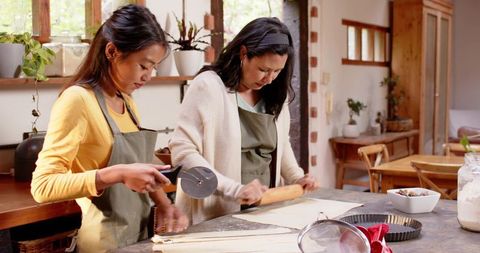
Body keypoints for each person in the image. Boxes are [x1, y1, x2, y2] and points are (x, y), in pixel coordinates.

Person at [30, 4, 188, 252]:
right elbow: (42, 186)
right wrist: (117, 173)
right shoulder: (77, 99)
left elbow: (141, 161)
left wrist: (165, 204)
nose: (149, 75)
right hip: (104, 243)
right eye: (144, 65)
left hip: (141, 237)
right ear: (112, 51)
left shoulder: (126, 100)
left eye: (154, 67)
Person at [169, 17, 318, 225]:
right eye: (264, 69)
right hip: (215, 212)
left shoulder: (275, 95)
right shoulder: (209, 87)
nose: (270, 79)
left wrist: (296, 177)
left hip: (263, 209)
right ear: (243, 54)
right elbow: (182, 152)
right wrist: (235, 190)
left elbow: (281, 143)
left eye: (277, 71)